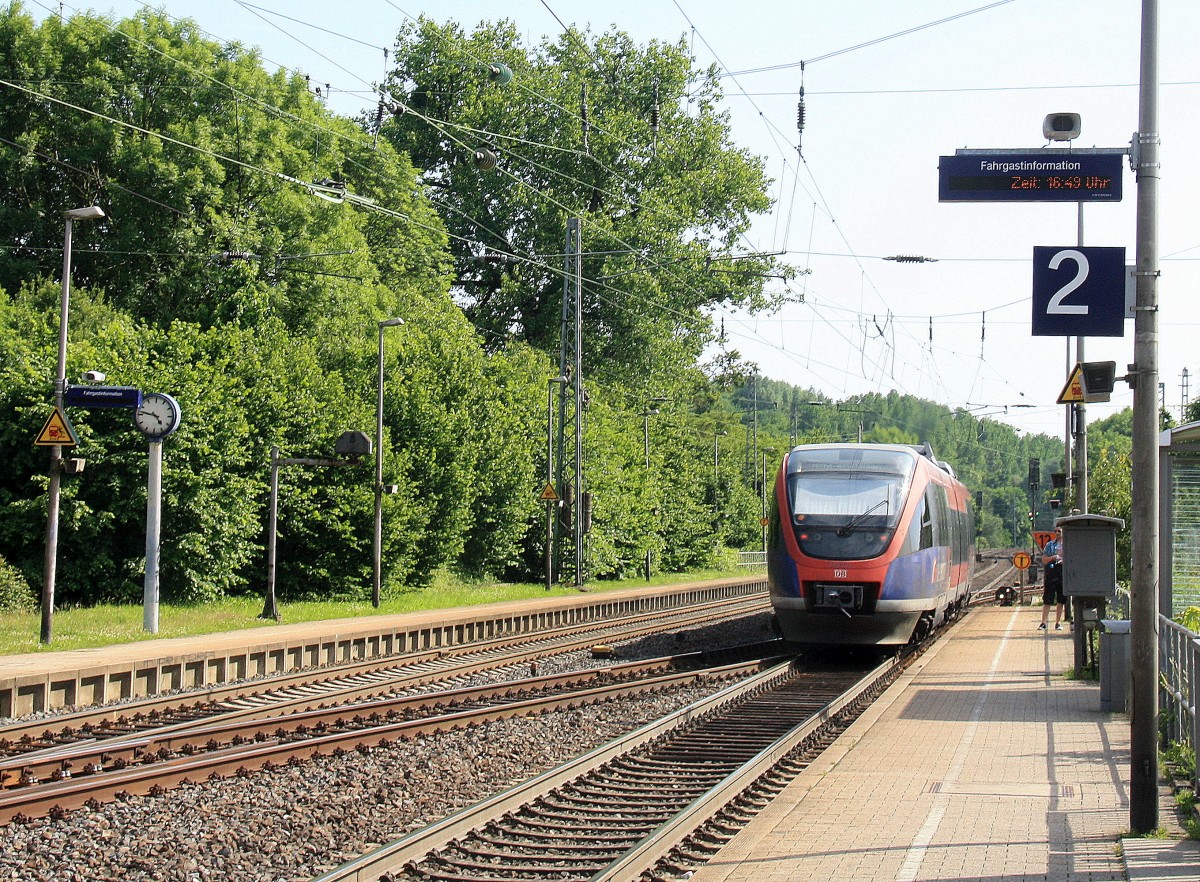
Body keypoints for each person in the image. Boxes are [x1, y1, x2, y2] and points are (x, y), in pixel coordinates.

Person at [1039, 531, 1064, 630]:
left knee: (1061, 599)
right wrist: (1053, 557)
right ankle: (1043, 622)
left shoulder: (1068, 544)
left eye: (1059, 531)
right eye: (1056, 531)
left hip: (1062, 572)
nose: (1057, 533)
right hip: (1051, 572)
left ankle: (1058, 622)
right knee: (1048, 598)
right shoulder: (1050, 545)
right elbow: (1044, 559)